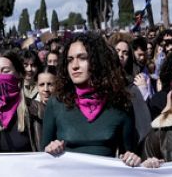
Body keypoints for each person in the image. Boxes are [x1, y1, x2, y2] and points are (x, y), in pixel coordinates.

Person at [42, 32, 139, 160]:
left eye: (82, 58)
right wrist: (48, 151)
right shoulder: (56, 103)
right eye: (70, 60)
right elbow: (41, 158)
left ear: (98, 61)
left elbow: (130, 156)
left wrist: (133, 159)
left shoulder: (120, 104)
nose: (75, 66)